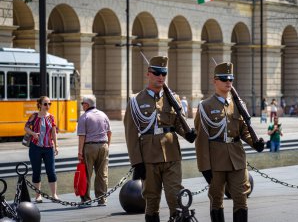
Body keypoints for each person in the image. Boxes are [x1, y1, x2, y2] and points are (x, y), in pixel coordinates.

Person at [124, 56, 193, 222]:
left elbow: (177, 124)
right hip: (148, 157)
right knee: (152, 200)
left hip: (172, 154)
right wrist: (137, 162)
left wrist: (188, 134)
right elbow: (131, 135)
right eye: (156, 73)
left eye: (164, 73)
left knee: (176, 197)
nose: (160, 77)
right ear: (148, 74)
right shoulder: (135, 101)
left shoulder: (173, 99)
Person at [195, 62, 261, 222]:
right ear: (215, 81)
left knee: (241, 197)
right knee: (216, 199)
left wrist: (255, 143)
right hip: (216, 161)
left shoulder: (238, 104)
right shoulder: (205, 106)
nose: (228, 82)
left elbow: (244, 130)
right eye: (224, 78)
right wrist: (204, 167)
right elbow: (201, 140)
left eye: (230, 78)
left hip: (237, 159)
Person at [77, 95, 112, 206]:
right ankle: (102, 199)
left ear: (87, 105)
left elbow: (82, 136)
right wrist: (107, 146)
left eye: (83, 104)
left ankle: (86, 200)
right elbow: (109, 133)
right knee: (102, 174)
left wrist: (80, 152)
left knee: (87, 174)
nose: (82, 106)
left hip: (89, 147)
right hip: (103, 146)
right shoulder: (103, 115)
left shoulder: (84, 117)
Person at [24, 96, 59, 203]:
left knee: (51, 172)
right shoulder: (34, 116)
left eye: (49, 104)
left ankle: (54, 194)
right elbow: (26, 127)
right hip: (35, 148)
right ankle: (38, 195)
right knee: (36, 172)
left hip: (49, 148)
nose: (47, 106)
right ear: (40, 105)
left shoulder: (51, 117)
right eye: (45, 104)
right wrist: (33, 133)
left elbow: (53, 132)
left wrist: (56, 146)